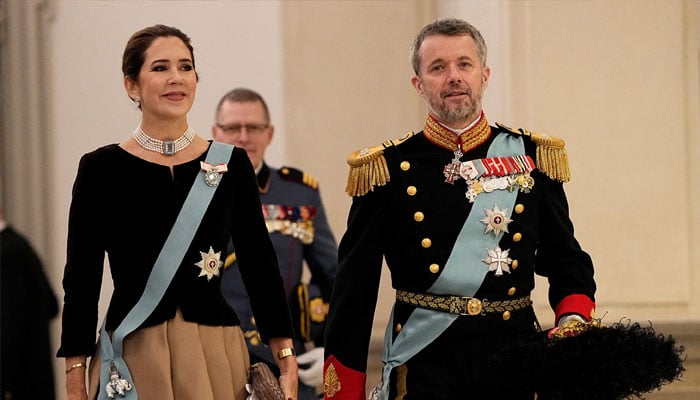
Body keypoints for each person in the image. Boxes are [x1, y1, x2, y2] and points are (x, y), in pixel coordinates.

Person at [322, 18, 596, 400]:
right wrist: (343, 392)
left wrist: (573, 316)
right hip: (423, 359)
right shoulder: (386, 169)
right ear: (419, 84)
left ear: (484, 76)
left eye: (464, 64)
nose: (453, 76)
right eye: (438, 67)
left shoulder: (532, 157)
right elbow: (353, 291)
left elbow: (567, 258)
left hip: (514, 355)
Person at [57, 25, 297, 400]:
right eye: (160, 68)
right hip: (134, 353)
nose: (176, 78)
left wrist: (285, 356)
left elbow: (260, 266)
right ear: (131, 86)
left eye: (185, 67)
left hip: (214, 351)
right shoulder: (100, 169)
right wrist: (75, 375)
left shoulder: (231, 163)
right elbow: (81, 280)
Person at [212, 88, 338, 399]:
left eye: (253, 128)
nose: (244, 137)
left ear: (269, 134)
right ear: (215, 134)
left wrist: (330, 347)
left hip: (281, 355)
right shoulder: (193, 194)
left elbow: (334, 277)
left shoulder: (298, 193)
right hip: (214, 356)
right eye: (232, 128)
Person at [1, 207, 59, 400]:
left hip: (18, 384)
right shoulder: (20, 245)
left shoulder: (6, 252)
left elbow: (10, 327)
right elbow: (52, 306)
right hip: (36, 378)